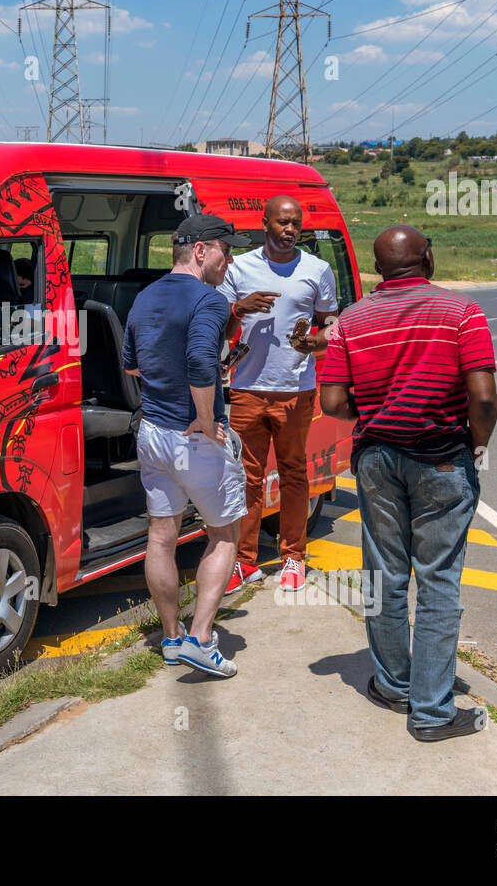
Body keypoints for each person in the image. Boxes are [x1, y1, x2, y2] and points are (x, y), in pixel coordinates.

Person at [319, 225, 497, 742]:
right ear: (428, 258)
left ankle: (396, 685)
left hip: (376, 458)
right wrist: (476, 443)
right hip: (442, 459)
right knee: (439, 580)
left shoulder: (351, 321)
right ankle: (431, 712)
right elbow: (483, 399)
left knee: (385, 575)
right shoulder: (461, 313)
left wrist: (379, 412)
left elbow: (332, 403)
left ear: (379, 267)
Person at [124, 213, 251, 677]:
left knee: (162, 536)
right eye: (226, 250)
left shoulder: (144, 296)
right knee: (224, 533)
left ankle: (172, 638)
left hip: (152, 432)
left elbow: (133, 366)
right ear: (201, 251)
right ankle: (200, 640)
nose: (229, 260)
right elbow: (201, 361)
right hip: (193, 437)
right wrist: (203, 417)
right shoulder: (210, 300)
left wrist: (170, 390)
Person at [220, 195, 338, 594]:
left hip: (296, 390)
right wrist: (239, 309)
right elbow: (217, 326)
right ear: (265, 223)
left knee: (292, 473)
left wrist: (314, 343)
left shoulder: (317, 270)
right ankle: (244, 562)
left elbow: (331, 328)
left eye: (295, 224)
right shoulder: (241, 267)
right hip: (247, 389)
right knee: (246, 478)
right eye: (282, 222)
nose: (290, 230)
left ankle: (294, 557)